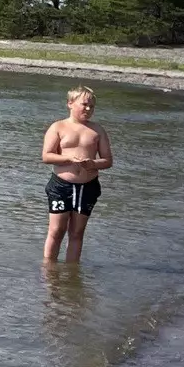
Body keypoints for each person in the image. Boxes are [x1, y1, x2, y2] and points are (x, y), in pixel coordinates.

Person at [42, 86, 113, 264]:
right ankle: (49, 272)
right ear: (70, 104)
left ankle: (71, 269)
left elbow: (108, 160)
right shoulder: (58, 127)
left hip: (87, 186)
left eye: (92, 106)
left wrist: (92, 164)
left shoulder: (97, 130)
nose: (88, 109)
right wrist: (68, 158)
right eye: (85, 105)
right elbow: (47, 156)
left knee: (77, 233)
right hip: (61, 185)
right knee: (56, 231)